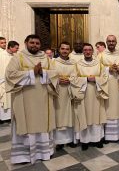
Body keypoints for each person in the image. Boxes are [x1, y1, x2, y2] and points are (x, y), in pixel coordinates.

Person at [6, 34, 58, 164]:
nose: (34, 45)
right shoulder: (18, 57)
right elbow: (10, 75)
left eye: (37, 43)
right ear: (25, 43)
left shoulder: (45, 58)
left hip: (43, 99)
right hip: (24, 99)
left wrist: (43, 73)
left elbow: (55, 73)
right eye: (32, 43)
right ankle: (24, 156)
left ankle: (43, 152)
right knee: (25, 122)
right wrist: (31, 73)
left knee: (42, 122)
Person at [76, 43, 108, 150]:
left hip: (96, 93)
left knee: (96, 117)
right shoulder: (78, 64)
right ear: (83, 51)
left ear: (92, 51)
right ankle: (85, 141)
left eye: (90, 50)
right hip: (84, 95)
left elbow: (104, 77)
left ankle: (97, 140)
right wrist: (85, 79)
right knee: (85, 116)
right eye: (85, 50)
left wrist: (96, 79)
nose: (88, 52)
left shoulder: (98, 64)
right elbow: (73, 78)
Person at [98, 35, 119, 142]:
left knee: (117, 108)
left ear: (116, 42)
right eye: (109, 41)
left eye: (113, 41)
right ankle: (106, 135)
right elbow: (97, 70)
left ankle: (118, 134)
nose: (111, 43)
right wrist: (108, 69)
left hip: (117, 85)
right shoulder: (101, 56)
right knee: (107, 109)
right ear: (106, 42)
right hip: (106, 86)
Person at [53, 42, 78, 150]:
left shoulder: (74, 63)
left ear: (70, 51)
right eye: (62, 48)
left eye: (67, 49)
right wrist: (57, 79)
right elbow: (49, 74)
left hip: (70, 92)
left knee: (71, 115)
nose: (64, 51)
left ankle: (71, 140)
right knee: (59, 116)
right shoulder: (53, 62)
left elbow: (77, 75)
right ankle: (59, 142)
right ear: (59, 50)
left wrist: (70, 79)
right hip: (58, 92)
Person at [0, 41, 19, 123]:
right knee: (4, 98)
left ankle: (9, 117)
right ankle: (2, 118)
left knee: (10, 99)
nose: (17, 49)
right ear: (11, 47)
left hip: (12, 81)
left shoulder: (14, 56)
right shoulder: (1, 55)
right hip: (3, 81)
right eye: (16, 48)